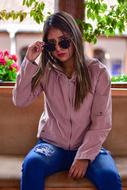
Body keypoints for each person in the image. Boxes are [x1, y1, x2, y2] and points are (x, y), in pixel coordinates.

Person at [12, 11, 122, 190]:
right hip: (51, 145)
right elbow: (20, 100)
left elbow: (101, 122)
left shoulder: (98, 73)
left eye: (64, 41)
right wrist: (29, 62)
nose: (58, 49)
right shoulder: (45, 71)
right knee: (32, 165)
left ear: (75, 38)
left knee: (109, 176)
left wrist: (84, 156)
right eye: (51, 44)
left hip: (87, 145)